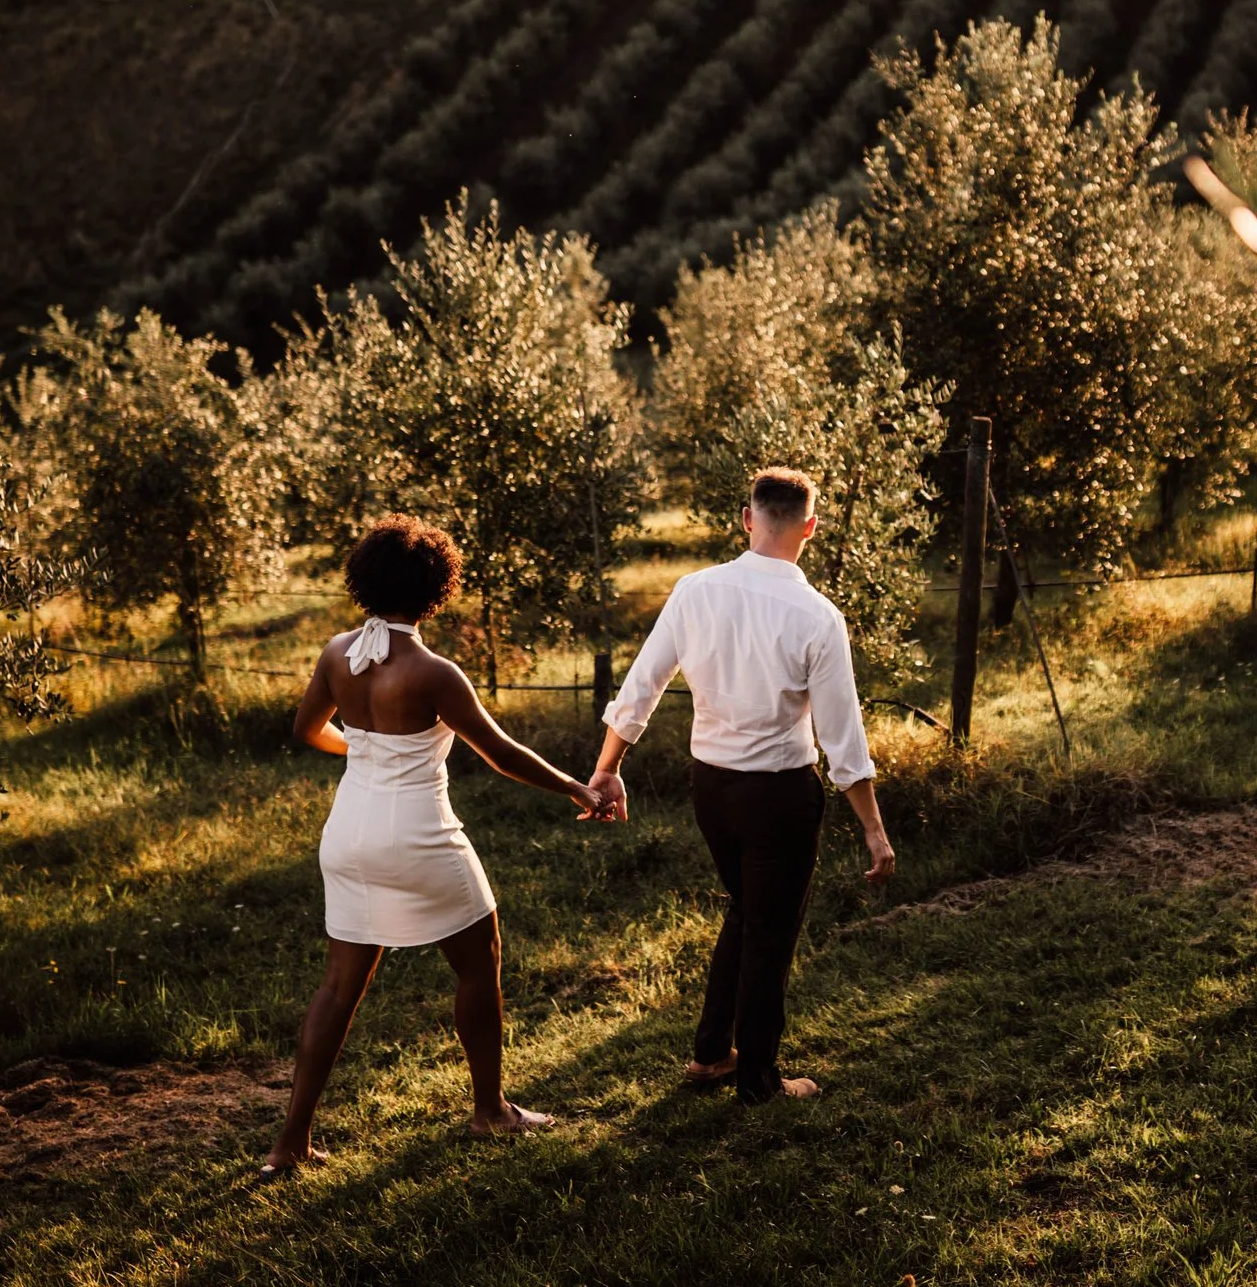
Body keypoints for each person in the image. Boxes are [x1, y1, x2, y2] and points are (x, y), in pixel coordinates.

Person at [263, 515, 612, 1176]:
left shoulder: (337, 653)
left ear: (363, 580)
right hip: (418, 834)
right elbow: (502, 754)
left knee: (338, 987)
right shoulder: (433, 671)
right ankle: (490, 1110)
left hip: (347, 832)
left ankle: (289, 1145)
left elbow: (308, 728)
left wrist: (365, 751)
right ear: (435, 589)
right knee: (480, 962)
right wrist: (577, 787)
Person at [583, 467, 895, 1103]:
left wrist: (607, 767)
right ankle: (758, 1078)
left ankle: (710, 1056)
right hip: (779, 796)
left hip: (712, 791)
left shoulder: (694, 590)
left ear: (749, 519)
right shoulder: (818, 616)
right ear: (809, 527)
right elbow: (842, 738)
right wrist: (874, 828)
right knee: (770, 932)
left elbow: (641, 685)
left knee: (747, 911)